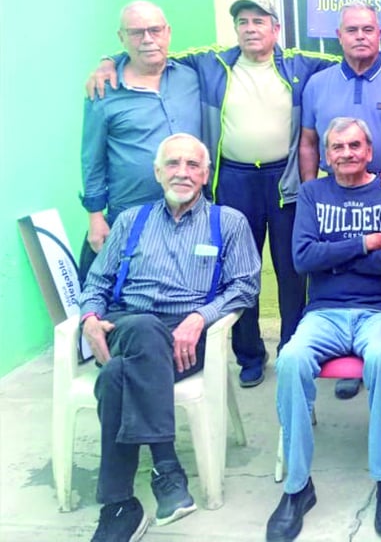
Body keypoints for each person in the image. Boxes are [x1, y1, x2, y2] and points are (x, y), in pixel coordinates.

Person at [87, 0, 381, 387]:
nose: (250, 28)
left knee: (292, 270)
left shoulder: (300, 63)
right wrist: (109, 61)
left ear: (275, 28)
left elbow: (358, 52)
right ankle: (248, 354)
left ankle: (294, 347)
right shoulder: (211, 61)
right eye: (242, 21)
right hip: (233, 177)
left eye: (259, 21)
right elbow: (151, 48)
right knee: (236, 269)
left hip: (284, 180)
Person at [78, 133, 260, 542]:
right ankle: (168, 470)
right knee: (142, 328)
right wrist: (89, 317)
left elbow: (245, 286)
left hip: (186, 338)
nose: (183, 172)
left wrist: (201, 316)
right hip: (128, 324)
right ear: (158, 173)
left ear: (206, 174)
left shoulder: (228, 222)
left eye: (193, 165)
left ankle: (118, 504)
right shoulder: (130, 220)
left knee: (114, 378)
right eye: (173, 164)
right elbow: (97, 281)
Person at [268, 117, 381, 542]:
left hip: (380, 312)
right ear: (326, 155)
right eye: (337, 147)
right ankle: (298, 487)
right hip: (325, 313)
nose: (347, 154)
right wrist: (364, 243)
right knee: (290, 360)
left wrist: (331, 255)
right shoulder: (312, 193)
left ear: (369, 151)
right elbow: (301, 260)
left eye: (355, 146)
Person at [299, 2, 381, 400]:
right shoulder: (318, 83)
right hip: (333, 192)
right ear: (338, 36)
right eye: (352, 30)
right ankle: (348, 360)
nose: (361, 36)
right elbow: (308, 142)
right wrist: (312, 191)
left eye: (369, 29)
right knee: (339, 269)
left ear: (380, 35)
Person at [79, 0, 202, 281]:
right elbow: (92, 159)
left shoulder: (191, 76)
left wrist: (109, 59)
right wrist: (95, 216)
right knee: (128, 293)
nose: (148, 39)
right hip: (131, 215)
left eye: (155, 30)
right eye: (136, 33)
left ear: (168, 32)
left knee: (184, 291)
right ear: (121, 38)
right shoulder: (104, 90)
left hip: (189, 213)